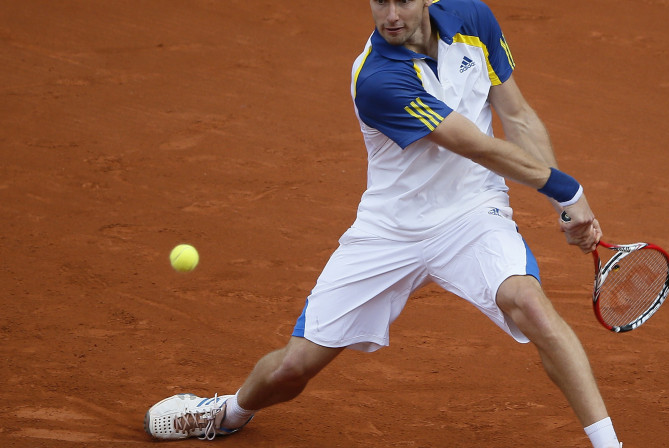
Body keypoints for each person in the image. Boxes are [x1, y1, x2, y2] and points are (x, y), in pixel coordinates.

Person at [144, 1, 622, 447]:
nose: (390, 15)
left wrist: (562, 205)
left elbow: (517, 114)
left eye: (403, 1)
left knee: (530, 305)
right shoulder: (377, 78)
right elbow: (474, 144)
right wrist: (567, 191)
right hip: (389, 230)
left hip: (473, 213)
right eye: (379, 1)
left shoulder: (474, 20)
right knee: (292, 369)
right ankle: (227, 412)